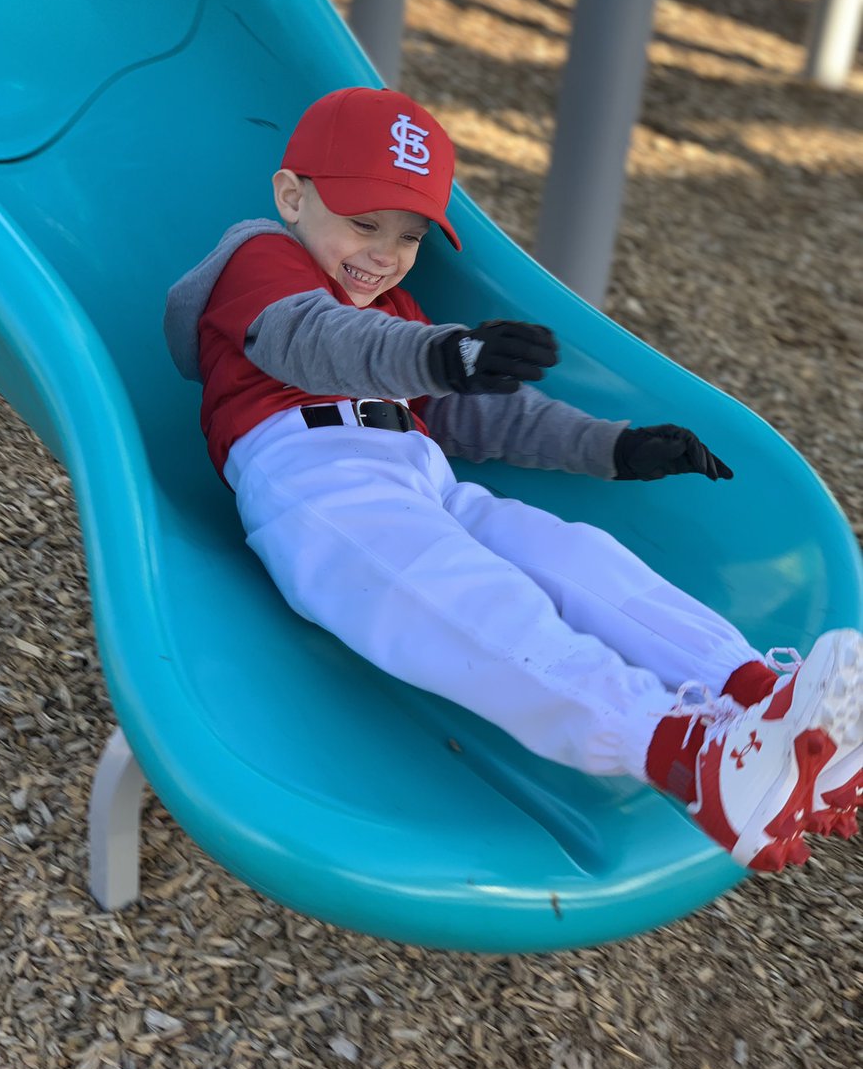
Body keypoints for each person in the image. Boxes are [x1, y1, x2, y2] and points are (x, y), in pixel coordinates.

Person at [164, 85, 862, 872]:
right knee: (469, 602)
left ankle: (754, 695)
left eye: (409, 235)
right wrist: (441, 355)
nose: (384, 253)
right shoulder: (263, 260)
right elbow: (312, 340)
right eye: (363, 223)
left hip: (424, 480)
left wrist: (613, 447)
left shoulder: (397, 308)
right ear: (293, 196)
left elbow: (483, 416)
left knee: (578, 559)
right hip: (314, 488)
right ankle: (678, 750)